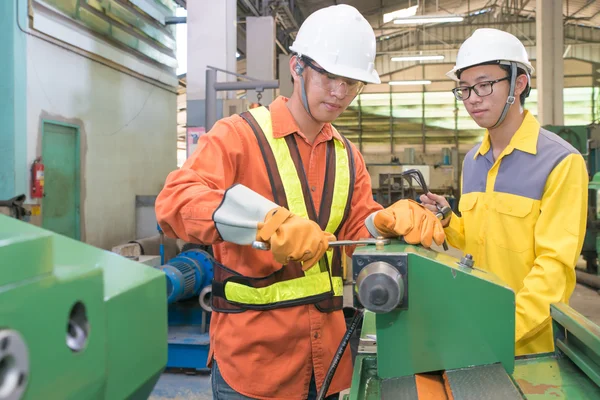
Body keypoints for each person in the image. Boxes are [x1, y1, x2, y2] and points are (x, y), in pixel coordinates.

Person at [155, 4, 445, 400]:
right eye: (329, 76)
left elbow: (355, 233)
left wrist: (385, 222)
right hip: (254, 365)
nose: (340, 92)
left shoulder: (346, 155)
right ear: (297, 67)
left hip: (328, 363)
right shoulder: (238, 137)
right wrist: (264, 220)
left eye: (352, 82)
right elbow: (175, 201)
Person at [420, 28, 588, 356]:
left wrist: (501, 328)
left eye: (484, 85)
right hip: (478, 324)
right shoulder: (474, 160)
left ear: (519, 83)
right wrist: (447, 219)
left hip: (532, 347)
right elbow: (478, 240)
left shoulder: (561, 162)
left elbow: (554, 268)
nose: (472, 98)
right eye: (465, 89)